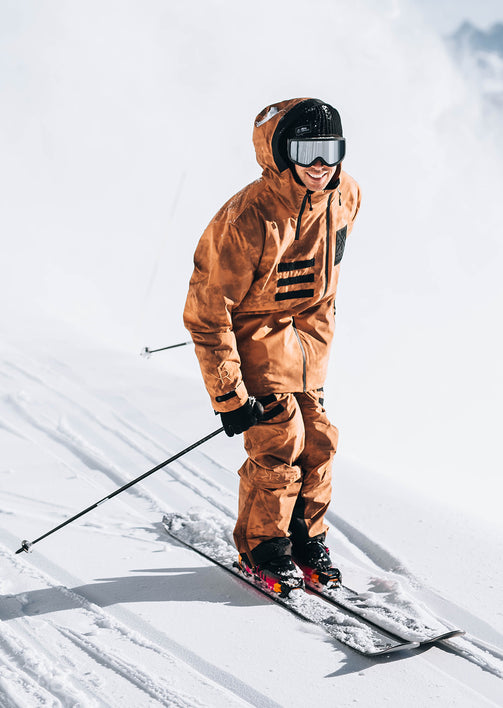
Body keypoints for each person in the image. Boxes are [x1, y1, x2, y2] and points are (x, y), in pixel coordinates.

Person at [184, 97, 361, 593]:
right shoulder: (246, 218)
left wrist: (318, 339)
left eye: (330, 150)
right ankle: (264, 545)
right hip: (255, 335)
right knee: (280, 438)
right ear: (282, 154)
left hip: (309, 340)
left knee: (319, 439)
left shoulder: (346, 195)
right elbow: (206, 312)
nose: (320, 165)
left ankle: (307, 536)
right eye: (306, 152)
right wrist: (229, 396)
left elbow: (329, 268)